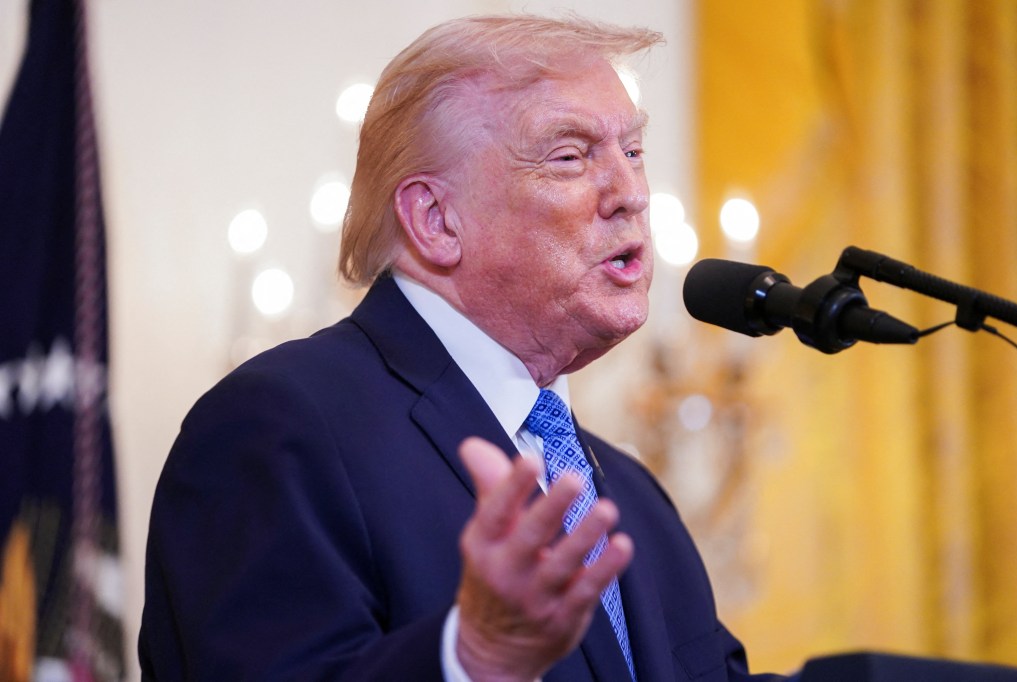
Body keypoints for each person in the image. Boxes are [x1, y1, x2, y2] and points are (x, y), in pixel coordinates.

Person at [139, 14, 785, 682]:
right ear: (435, 221)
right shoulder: (277, 428)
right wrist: (470, 660)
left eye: (633, 152)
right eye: (570, 155)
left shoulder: (631, 496)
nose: (631, 194)